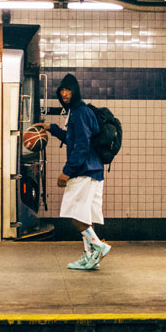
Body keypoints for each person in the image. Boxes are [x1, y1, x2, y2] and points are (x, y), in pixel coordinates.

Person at [36, 73, 111, 270]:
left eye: (68, 90)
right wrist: (51, 128)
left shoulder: (79, 112)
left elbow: (81, 146)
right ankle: (90, 258)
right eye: (62, 90)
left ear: (75, 91)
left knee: (76, 217)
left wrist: (67, 171)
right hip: (94, 171)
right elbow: (73, 138)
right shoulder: (80, 111)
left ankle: (98, 246)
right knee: (85, 217)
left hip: (84, 171)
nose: (64, 94)